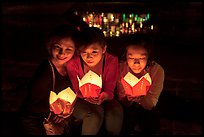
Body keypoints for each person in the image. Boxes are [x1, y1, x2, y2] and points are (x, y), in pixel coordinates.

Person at [20, 24, 79, 135]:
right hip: (36, 120)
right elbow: (35, 104)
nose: (62, 53)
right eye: (58, 47)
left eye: (68, 49)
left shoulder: (71, 67)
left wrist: (66, 110)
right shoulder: (45, 72)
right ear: (50, 46)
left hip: (55, 118)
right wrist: (59, 113)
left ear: (75, 50)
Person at [66, 27, 123, 135]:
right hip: (80, 99)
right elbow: (76, 89)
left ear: (104, 49)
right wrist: (86, 96)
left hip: (104, 98)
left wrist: (104, 95)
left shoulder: (111, 61)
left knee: (115, 112)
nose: (89, 57)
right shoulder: (73, 64)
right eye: (84, 52)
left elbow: (110, 88)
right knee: (95, 114)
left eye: (94, 52)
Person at [115, 33, 165, 135]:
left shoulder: (156, 70)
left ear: (148, 56)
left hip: (148, 108)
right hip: (127, 107)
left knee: (151, 120)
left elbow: (151, 102)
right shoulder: (121, 69)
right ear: (126, 55)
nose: (136, 63)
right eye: (131, 58)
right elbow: (121, 97)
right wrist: (128, 99)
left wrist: (141, 98)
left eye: (141, 58)